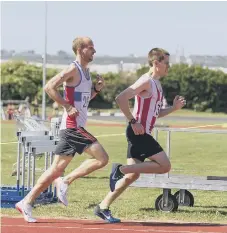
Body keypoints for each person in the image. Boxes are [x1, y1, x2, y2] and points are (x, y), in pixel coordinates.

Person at [15, 37, 109, 222]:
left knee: (55, 169)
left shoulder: (86, 72)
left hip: (73, 128)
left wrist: (96, 90)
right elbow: (49, 87)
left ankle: (26, 202)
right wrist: (66, 106)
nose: (94, 51)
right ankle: (65, 181)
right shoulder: (73, 69)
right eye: (91, 48)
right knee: (102, 158)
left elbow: (82, 101)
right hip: (73, 127)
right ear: (81, 49)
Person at [94, 48, 186, 223]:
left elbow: (155, 113)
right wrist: (132, 121)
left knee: (132, 175)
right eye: (166, 62)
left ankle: (103, 206)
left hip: (141, 133)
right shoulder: (146, 81)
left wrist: (174, 108)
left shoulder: (157, 85)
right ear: (156, 63)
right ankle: (119, 169)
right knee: (165, 166)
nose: (169, 66)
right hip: (138, 133)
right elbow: (121, 98)